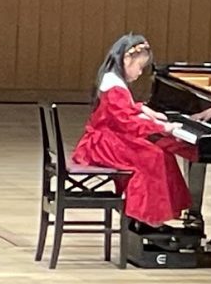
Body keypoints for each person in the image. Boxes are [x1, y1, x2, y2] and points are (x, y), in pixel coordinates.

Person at [71, 33, 197, 233]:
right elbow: (126, 122)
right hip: (103, 144)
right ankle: (146, 218)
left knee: (161, 153)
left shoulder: (112, 81)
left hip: (108, 138)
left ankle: (149, 217)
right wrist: (162, 128)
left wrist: (143, 109)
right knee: (152, 156)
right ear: (126, 60)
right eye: (139, 67)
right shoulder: (114, 87)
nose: (139, 73)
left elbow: (122, 111)